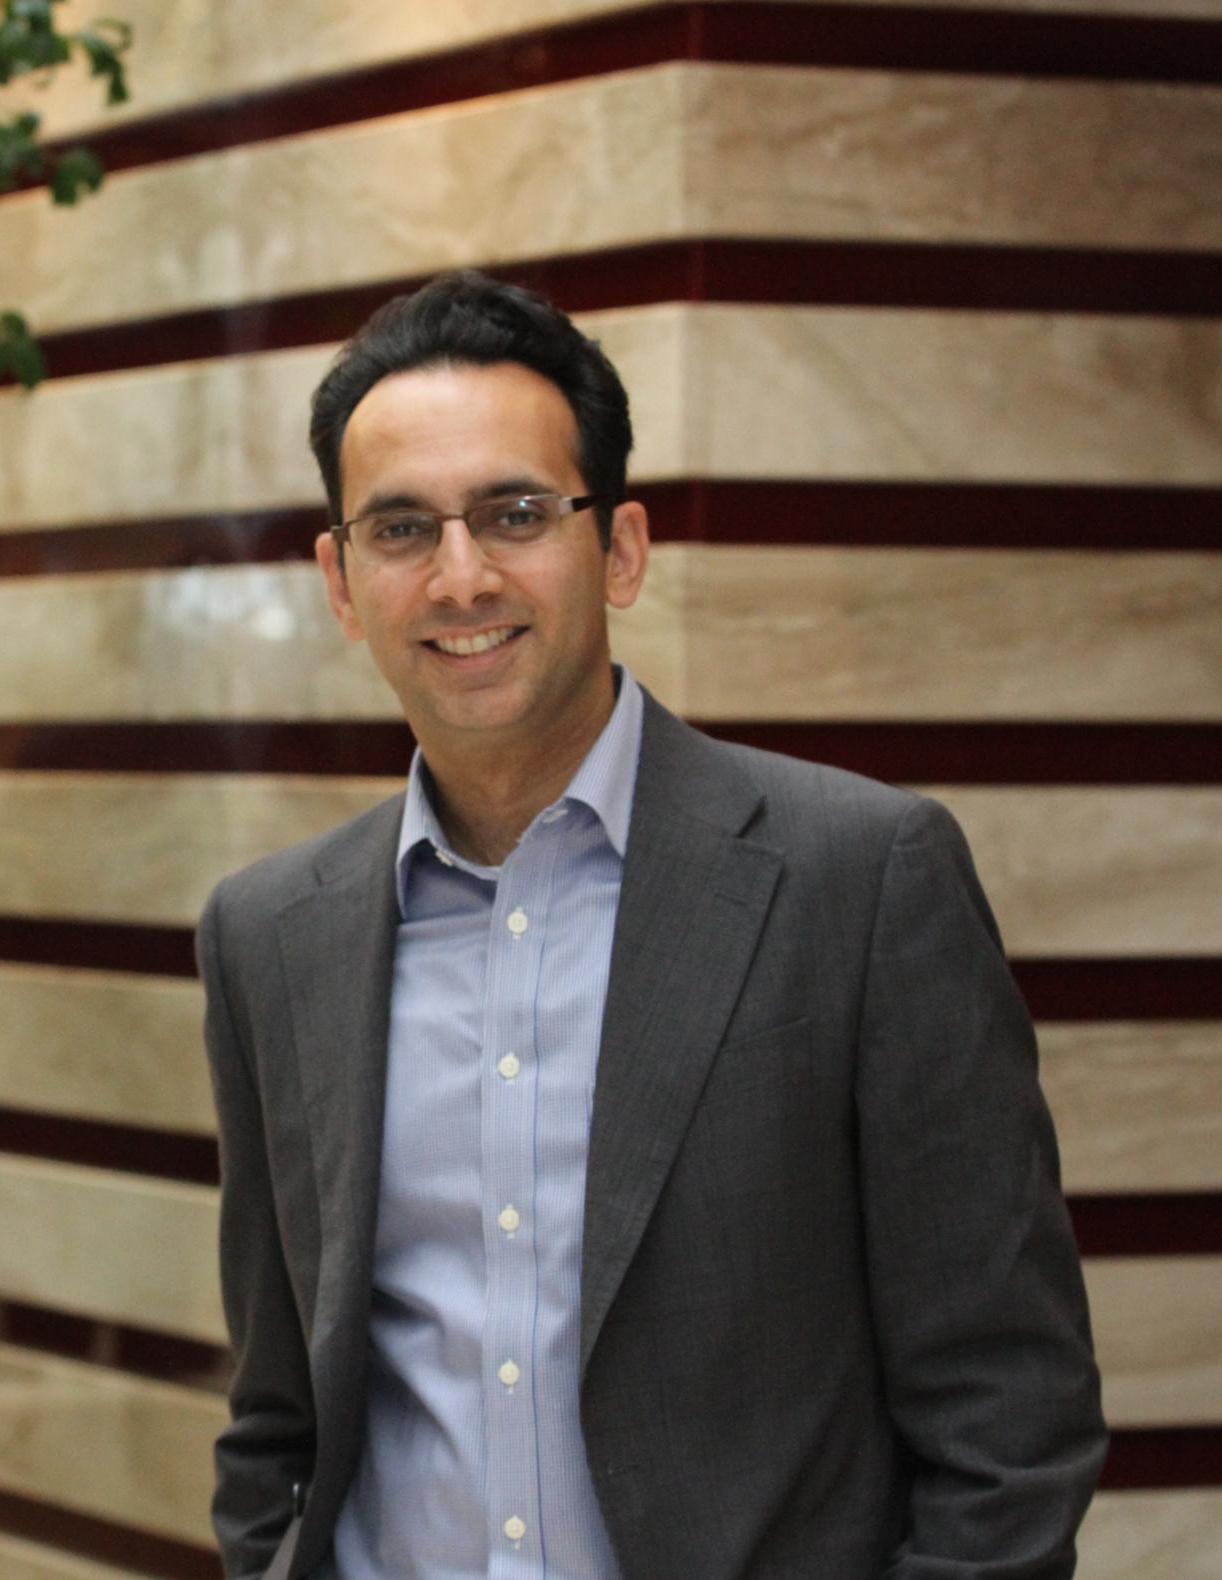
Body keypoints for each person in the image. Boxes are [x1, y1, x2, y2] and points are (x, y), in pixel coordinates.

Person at [195, 271, 1105, 1580]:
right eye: (400, 531)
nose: (459, 578)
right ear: (340, 582)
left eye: (513, 514)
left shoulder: (856, 880)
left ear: (616, 549)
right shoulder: (270, 934)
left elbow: (1006, 1414)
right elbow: (279, 1406)